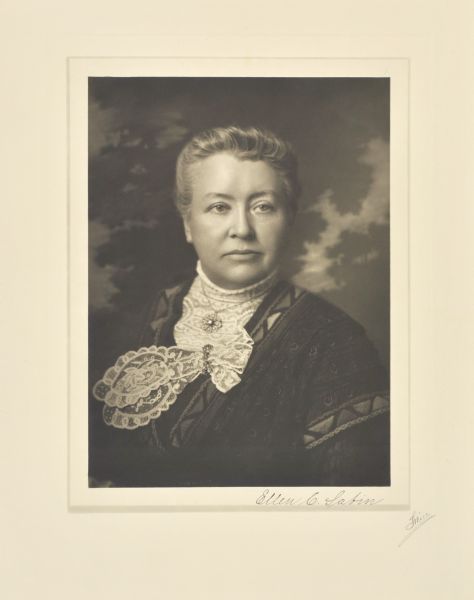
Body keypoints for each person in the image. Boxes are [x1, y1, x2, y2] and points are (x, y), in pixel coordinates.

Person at [90, 126, 390, 487]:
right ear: (188, 223)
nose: (242, 228)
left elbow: (349, 509)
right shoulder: (132, 318)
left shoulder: (335, 342)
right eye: (219, 207)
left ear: (289, 218)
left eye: (263, 207)